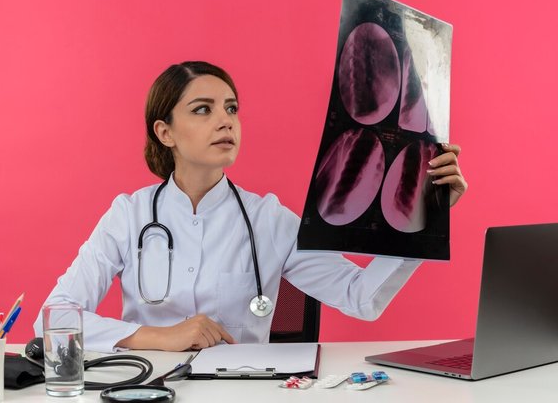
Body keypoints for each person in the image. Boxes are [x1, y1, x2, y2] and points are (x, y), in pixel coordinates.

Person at [34, 61, 468, 353]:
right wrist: (158, 336)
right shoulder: (129, 216)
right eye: (203, 110)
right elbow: (51, 321)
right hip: (149, 389)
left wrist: (427, 218)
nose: (226, 121)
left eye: (232, 109)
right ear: (165, 133)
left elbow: (361, 299)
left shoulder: (269, 220)